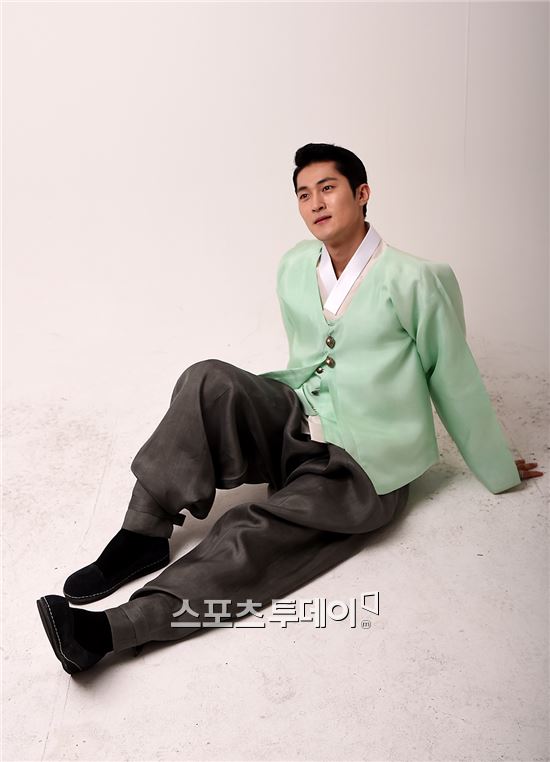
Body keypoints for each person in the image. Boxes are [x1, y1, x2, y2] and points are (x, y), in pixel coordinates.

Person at [36, 142, 543, 675]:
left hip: (365, 467)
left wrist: (498, 468)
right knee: (208, 380)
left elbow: (454, 377)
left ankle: (111, 631)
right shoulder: (296, 266)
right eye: (304, 194)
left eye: (328, 188)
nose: (315, 203)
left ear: (362, 194)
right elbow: (314, 358)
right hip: (298, 422)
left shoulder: (418, 278)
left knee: (250, 530)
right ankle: (143, 532)